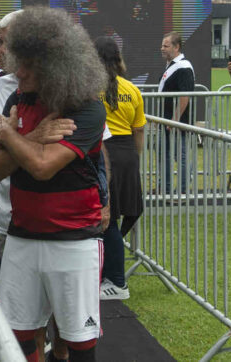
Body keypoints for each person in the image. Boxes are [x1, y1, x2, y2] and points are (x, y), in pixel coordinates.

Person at [0, 6, 107, 362]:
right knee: (15, 339)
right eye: (17, 60)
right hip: (22, 237)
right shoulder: (16, 100)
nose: (17, 72)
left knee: (78, 344)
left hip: (73, 242)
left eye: (28, 65)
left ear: (56, 67)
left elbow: (41, 166)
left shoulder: (86, 108)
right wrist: (34, 135)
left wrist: (12, 136)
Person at [94, 37, 146, 301]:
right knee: (123, 213)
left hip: (103, 153)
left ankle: (116, 280)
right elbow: (139, 129)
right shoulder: (132, 89)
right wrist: (135, 159)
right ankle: (111, 268)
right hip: (127, 153)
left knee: (108, 218)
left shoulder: (90, 88)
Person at [158, 31, 194, 193]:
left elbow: (184, 96)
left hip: (176, 123)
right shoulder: (173, 65)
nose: (162, 48)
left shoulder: (183, 67)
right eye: (162, 45)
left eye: (166, 45)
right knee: (165, 155)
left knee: (181, 156)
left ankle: (183, 191)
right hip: (168, 121)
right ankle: (165, 188)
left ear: (177, 47)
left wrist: (174, 119)